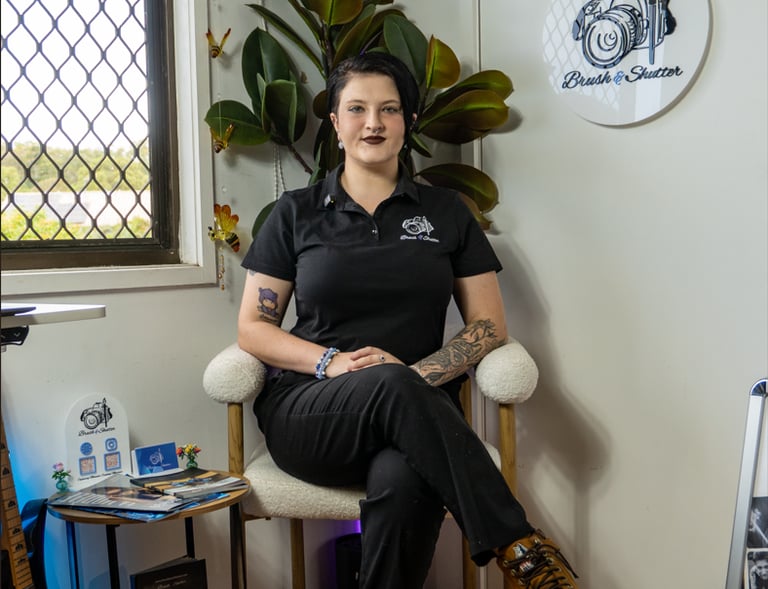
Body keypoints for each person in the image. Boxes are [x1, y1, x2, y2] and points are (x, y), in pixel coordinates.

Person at [237, 51, 579, 589]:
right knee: (391, 386)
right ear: (335, 123)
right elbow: (253, 329)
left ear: (409, 121)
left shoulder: (447, 212)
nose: (373, 123)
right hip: (312, 413)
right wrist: (332, 362)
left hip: (417, 415)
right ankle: (521, 547)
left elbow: (488, 324)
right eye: (357, 109)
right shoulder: (295, 213)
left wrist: (412, 379)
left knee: (405, 481)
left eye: (389, 109)